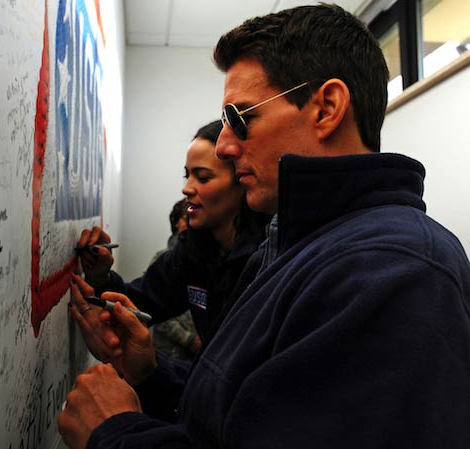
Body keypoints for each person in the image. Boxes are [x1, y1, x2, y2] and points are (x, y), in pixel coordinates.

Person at [59, 4, 470, 449]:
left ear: (326, 108)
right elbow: (241, 415)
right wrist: (151, 374)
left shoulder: (395, 274)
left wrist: (115, 435)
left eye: (241, 118)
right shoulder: (293, 244)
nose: (223, 148)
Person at [76, 120, 269, 351]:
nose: (187, 188)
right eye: (187, 175)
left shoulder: (269, 256)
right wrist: (100, 276)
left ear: (241, 180)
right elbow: (140, 302)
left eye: (203, 177)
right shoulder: (191, 251)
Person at [150, 199, 201, 360]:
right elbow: (154, 308)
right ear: (177, 223)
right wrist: (189, 340)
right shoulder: (163, 259)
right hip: (168, 354)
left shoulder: (204, 260)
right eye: (187, 217)